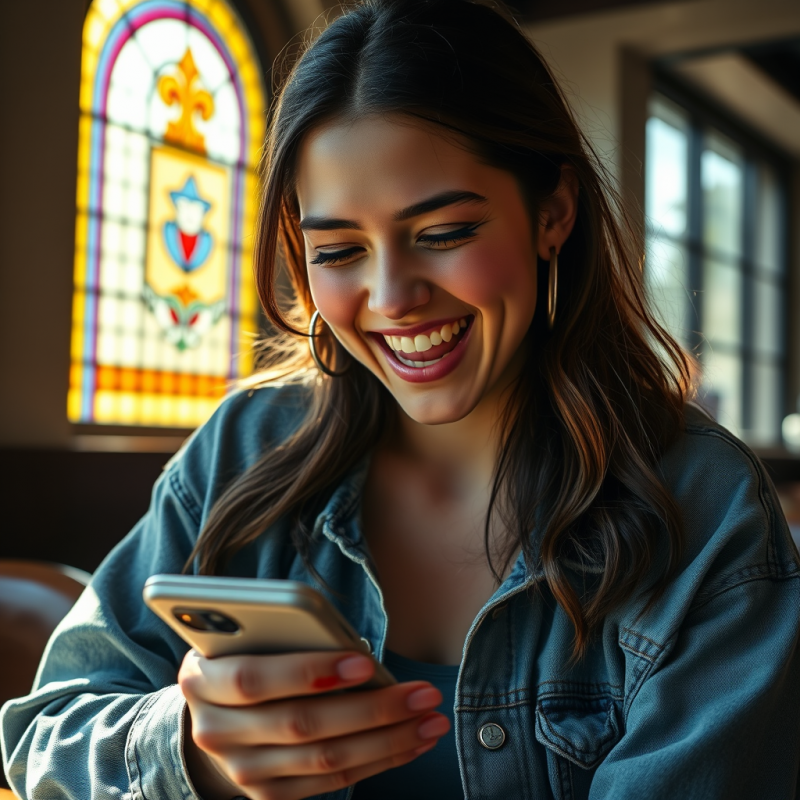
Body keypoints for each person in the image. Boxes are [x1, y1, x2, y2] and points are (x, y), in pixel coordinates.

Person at [2, 0, 800, 797]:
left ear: (553, 212)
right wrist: (195, 755)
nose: (392, 298)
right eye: (340, 249)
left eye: (444, 233)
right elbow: (40, 737)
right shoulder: (243, 451)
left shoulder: (705, 507)